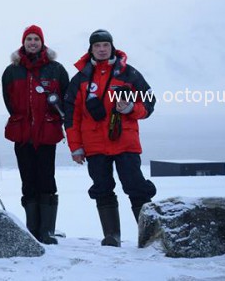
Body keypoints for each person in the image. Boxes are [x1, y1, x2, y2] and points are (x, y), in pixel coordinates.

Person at [64, 29, 157, 247]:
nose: (102, 49)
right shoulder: (80, 79)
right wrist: (76, 147)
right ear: (91, 49)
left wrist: (132, 108)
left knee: (136, 187)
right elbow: (71, 117)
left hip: (126, 143)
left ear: (112, 47)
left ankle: (150, 237)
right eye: (98, 46)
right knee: (102, 188)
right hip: (94, 146)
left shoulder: (130, 74)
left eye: (106, 45)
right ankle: (112, 237)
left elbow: (149, 104)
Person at [2, 25, 70, 244]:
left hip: (47, 134)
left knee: (47, 180)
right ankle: (33, 229)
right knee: (28, 181)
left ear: (42, 43)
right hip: (22, 134)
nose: (32, 43)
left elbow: (66, 99)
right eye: (29, 39)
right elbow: (9, 101)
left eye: (36, 39)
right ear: (23, 42)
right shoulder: (12, 70)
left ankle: (46, 231)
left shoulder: (56, 69)